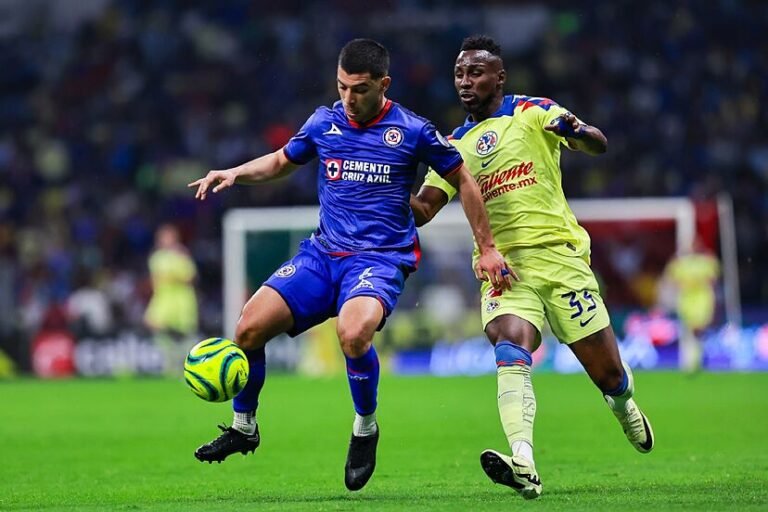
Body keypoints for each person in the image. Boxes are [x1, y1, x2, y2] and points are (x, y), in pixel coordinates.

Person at [188, 38, 510, 491]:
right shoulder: (325, 122)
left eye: (359, 89)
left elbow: (464, 179)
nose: (348, 99)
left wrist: (488, 246)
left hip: (379, 258)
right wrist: (234, 172)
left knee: (353, 333)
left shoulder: (412, 130)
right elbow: (283, 160)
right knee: (247, 329)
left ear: (384, 84)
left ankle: (365, 426)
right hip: (323, 255)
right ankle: (244, 427)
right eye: (341, 87)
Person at [410, 35, 655, 500]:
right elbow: (425, 208)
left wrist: (577, 131)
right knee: (509, 343)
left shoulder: (533, 111)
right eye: (460, 74)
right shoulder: (452, 146)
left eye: (476, 73)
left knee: (609, 375)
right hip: (504, 267)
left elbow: (598, 144)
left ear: (499, 77)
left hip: (561, 258)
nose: (465, 82)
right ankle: (523, 460)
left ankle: (624, 405)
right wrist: (383, 188)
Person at [662, 239, 720, 373]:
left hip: (702, 299)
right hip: (687, 300)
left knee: (698, 329)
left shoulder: (706, 262)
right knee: (691, 330)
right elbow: (672, 277)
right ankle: (695, 357)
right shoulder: (682, 263)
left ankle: (697, 357)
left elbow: (713, 279)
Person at [144, 223, 199, 338]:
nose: (166, 240)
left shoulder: (182, 256)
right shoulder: (157, 257)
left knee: (184, 336)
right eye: (163, 237)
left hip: (181, 301)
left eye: (169, 237)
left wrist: (173, 278)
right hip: (163, 299)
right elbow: (156, 279)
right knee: (152, 325)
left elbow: (190, 278)